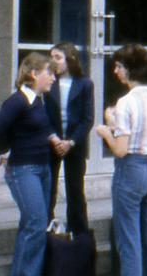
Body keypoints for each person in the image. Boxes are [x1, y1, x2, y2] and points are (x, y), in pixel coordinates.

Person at [95, 44, 147, 276]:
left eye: (119, 66)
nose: (115, 71)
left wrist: (107, 130)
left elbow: (120, 150)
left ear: (131, 69)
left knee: (129, 242)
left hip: (131, 170)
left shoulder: (125, 103)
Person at [0, 52, 60, 276]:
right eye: (49, 73)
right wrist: (5, 151)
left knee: (33, 223)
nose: (53, 78)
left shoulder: (38, 101)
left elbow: (39, 127)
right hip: (23, 169)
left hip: (42, 168)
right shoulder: (17, 101)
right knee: (37, 223)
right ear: (33, 74)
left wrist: (54, 138)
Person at [45, 42, 94, 233]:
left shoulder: (85, 84)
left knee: (75, 189)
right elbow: (44, 115)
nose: (53, 61)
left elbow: (87, 118)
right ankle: (47, 228)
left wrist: (71, 142)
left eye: (58, 57)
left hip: (75, 143)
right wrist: (54, 139)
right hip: (53, 142)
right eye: (52, 57)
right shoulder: (50, 82)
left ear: (70, 59)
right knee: (49, 188)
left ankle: (78, 232)